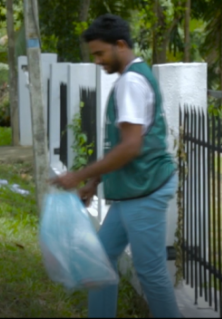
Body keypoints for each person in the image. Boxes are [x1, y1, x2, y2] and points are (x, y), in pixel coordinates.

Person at [50, 14, 181, 318]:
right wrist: (94, 183)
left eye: (100, 53)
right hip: (133, 190)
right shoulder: (129, 78)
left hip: (145, 189)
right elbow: (119, 144)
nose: (97, 61)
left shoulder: (131, 82)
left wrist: (79, 175)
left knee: (150, 273)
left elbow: (130, 146)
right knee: (101, 261)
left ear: (120, 45)